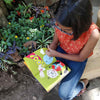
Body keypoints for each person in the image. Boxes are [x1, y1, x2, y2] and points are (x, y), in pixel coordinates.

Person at [46, 0, 100, 100]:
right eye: (59, 27)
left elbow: (81, 57)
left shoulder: (93, 34)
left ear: (81, 26)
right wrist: (50, 50)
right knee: (45, 74)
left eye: (67, 31)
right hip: (60, 51)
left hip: (76, 59)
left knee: (65, 96)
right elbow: (54, 42)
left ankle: (83, 83)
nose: (61, 31)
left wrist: (56, 53)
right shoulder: (61, 21)